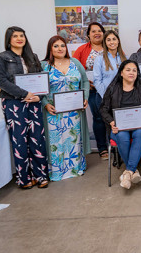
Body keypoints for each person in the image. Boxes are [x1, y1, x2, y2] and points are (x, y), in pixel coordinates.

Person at [0, 26, 49, 189]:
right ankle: (24, 179)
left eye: (22, 35)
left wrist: (41, 96)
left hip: (35, 102)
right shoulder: (1, 58)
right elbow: (1, 82)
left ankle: (41, 175)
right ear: (9, 39)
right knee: (19, 141)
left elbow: (41, 79)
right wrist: (24, 94)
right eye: (15, 36)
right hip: (13, 102)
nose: (19, 38)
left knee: (37, 139)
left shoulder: (33, 57)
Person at [41, 35, 91, 181]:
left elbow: (86, 82)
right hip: (53, 112)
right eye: (56, 46)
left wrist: (85, 97)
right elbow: (39, 89)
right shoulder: (44, 65)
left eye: (62, 45)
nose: (60, 48)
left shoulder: (74, 62)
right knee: (55, 142)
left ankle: (75, 168)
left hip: (74, 112)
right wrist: (45, 104)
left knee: (74, 140)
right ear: (50, 48)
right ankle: (57, 172)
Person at [100, 60, 141, 189]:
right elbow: (103, 109)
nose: (132, 73)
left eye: (134, 70)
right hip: (119, 127)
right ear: (121, 73)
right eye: (128, 70)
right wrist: (112, 122)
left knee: (140, 133)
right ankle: (133, 171)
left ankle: (128, 172)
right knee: (122, 136)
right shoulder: (113, 88)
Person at [73, 22, 109, 159]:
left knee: (114, 116)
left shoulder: (111, 46)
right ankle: (102, 148)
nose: (97, 33)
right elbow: (73, 69)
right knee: (99, 116)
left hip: (110, 90)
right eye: (93, 31)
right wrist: (87, 83)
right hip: (93, 90)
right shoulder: (82, 49)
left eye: (99, 30)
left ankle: (116, 146)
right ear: (88, 35)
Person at [93, 30, 127, 99]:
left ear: (118, 41)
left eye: (114, 39)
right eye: (108, 40)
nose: (112, 42)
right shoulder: (99, 59)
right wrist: (106, 96)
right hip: (105, 98)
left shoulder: (125, 59)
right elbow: (97, 81)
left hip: (122, 97)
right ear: (105, 42)